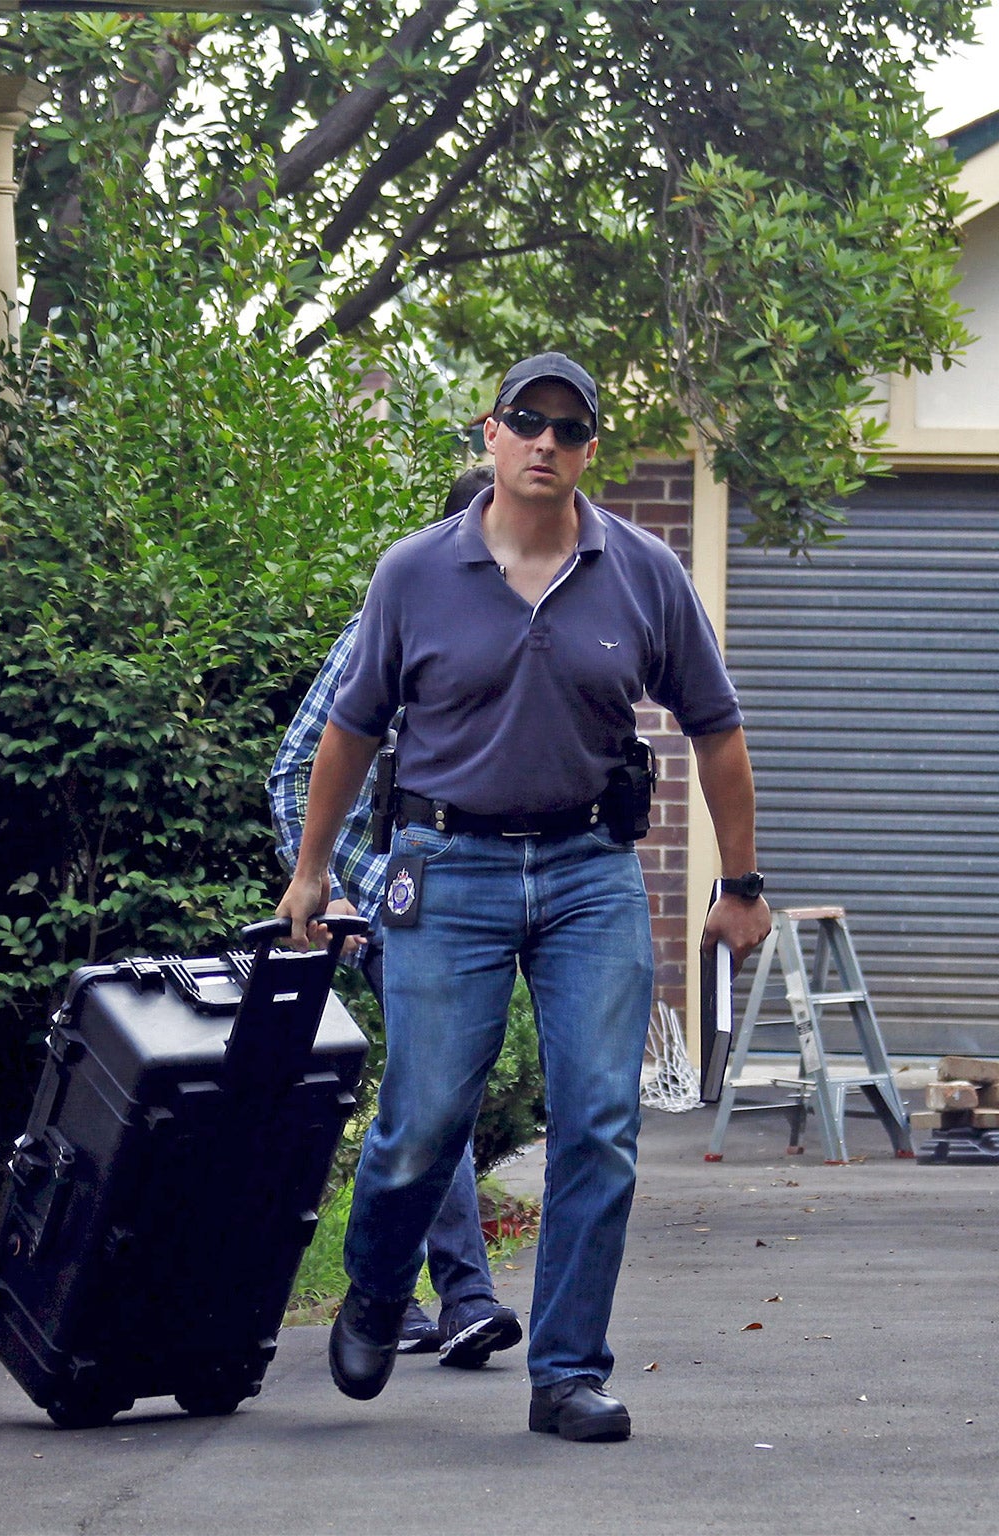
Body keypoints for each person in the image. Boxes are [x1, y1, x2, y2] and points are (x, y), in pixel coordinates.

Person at [277, 353, 772, 1442]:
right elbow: (349, 732)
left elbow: (716, 730)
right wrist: (311, 870)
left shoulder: (640, 570)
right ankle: (372, 1288)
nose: (543, 441)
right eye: (524, 421)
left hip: (589, 871)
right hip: (445, 870)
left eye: (567, 426)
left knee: (598, 1120)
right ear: (488, 435)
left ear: (588, 448)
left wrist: (738, 883)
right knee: (424, 1117)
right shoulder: (412, 574)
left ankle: (563, 1374)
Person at [267, 463, 523, 1371]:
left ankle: (402, 1295)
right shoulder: (393, 620)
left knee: (432, 1095)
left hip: (481, 899)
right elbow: (297, 767)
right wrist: (334, 886)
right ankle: (461, 1297)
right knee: (431, 1088)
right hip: (391, 899)